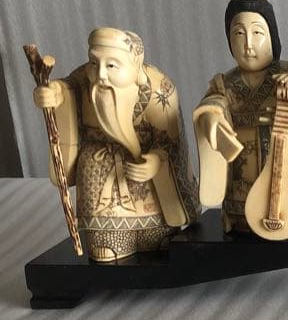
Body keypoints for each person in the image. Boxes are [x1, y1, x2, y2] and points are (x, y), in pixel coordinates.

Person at [32, 27, 198, 261]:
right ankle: (107, 238)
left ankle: (155, 233)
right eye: (94, 63)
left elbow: (171, 140)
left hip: (144, 167)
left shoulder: (159, 88)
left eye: (111, 65)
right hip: (99, 164)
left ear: (135, 64)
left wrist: (155, 160)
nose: (100, 74)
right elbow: (67, 88)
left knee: (157, 237)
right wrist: (54, 94)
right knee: (105, 244)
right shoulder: (84, 80)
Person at [193, 0, 288, 232]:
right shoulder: (224, 83)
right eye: (239, 34)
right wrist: (210, 116)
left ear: (271, 36)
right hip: (244, 176)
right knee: (243, 221)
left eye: (257, 32)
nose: (248, 44)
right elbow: (214, 102)